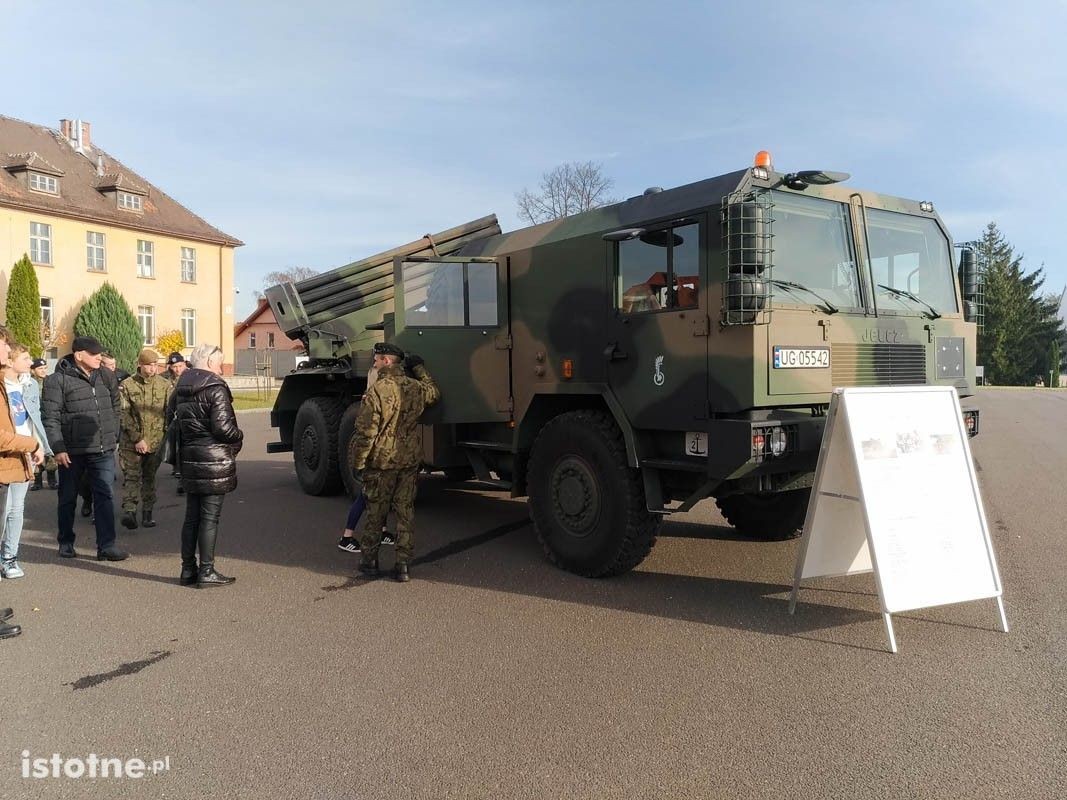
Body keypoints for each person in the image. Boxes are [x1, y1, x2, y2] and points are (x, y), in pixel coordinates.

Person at [350, 342, 439, 582]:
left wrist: (358, 463)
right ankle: (403, 566)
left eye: (377, 360)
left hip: (381, 462)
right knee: (405, 512)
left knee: (376, 512)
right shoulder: (416, 387)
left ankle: (369, 562)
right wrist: (419, 368)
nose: (375, 363)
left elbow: (366, 432)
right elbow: (434, 392)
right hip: (409, 459)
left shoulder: (377, 391)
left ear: (387, 361)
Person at [42, 335, 128, 562]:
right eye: (94, 353)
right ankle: (66, 541)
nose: (100, 357)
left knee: (105, 495)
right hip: (71, 451)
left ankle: (106, 546)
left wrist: (113, 433)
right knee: (68, 497)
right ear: (79, 355)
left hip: (103, 449)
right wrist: (58, 447)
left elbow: (116, 406)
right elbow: (50, 417)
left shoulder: (106, 376)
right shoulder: (57, 380)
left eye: (100, 353)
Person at [169, 343, 243, 587]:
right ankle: (207, 571)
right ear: (211, 363)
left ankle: (188, 569)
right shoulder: (215, 387)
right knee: (210, 518)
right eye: (220, 362)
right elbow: (223, 428)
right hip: (213, 459)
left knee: (192, 517)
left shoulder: (180, 387)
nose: (221, 367)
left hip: (190, 456)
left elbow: (171, 418)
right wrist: (238, 435)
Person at [0, 326, 46, 640]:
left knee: (14, 513)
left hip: (15, 461)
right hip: (8, 458)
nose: (8, 350)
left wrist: (37, 444)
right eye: (4, 346)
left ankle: (9, 557)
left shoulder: (21, 386)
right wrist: (30, 444)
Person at [118, 348, 172, 530]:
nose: (152, 369)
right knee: (132, 476)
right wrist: (137, 439)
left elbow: (169, 412)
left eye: (155, 365)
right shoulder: (127, 385)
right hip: (131, 442)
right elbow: (123, 414)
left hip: (156, 441)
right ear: (140, 365)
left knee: (149, 477)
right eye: (149, 365)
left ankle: (147, 513)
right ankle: (130, 511)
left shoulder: (164, 385)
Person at [30, 358, 58, 491]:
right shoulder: (29, 383)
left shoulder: (51, 381)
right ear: (33, 370)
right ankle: (37, 480)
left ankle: (52, 480)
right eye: (40, 368)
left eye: (45, 368)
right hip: (35, 421)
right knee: (36, 449)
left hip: (48, 420)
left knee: (49, 450)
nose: (43, 371)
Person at [164, 352, 187, 493]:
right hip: (171, 416)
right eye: (174, 367)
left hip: (185, 417)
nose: (177, 369)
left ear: (184, 364)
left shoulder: (190, 376)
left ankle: (181, 475)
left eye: (180, 366)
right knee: (173, 444)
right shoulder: (165, 378)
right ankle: (176, 466)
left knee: (183, 447)